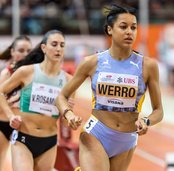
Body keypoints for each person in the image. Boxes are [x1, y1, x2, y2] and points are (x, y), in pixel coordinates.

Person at [56, 4, 164, 171]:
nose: (129, 32)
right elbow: (61, 96)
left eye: (133, 28)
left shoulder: (148, 66)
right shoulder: (91, 62)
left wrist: (146, 121)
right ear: (109, 30)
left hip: (127, 140)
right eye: (123, 26)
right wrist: (68, 114)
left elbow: (159, 111)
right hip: (97, 133)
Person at [0, 30, 77, 171]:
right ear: (44, 48)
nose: (58, 48)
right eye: (54, 44)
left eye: (62, 45)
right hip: (23, 138)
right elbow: (1, 91)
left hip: (49, 142)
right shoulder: (26, 72)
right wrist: (11, 116)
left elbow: (66, 123)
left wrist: (68, 113)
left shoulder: (69, 81)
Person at [0, 35, 32, 171]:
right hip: (3, 124)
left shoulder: (33, 73)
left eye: (28, 51)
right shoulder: (6, 73)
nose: (25, 54)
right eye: (21, 50)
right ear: (12, 52)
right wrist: (10, 116)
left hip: (23, 126)